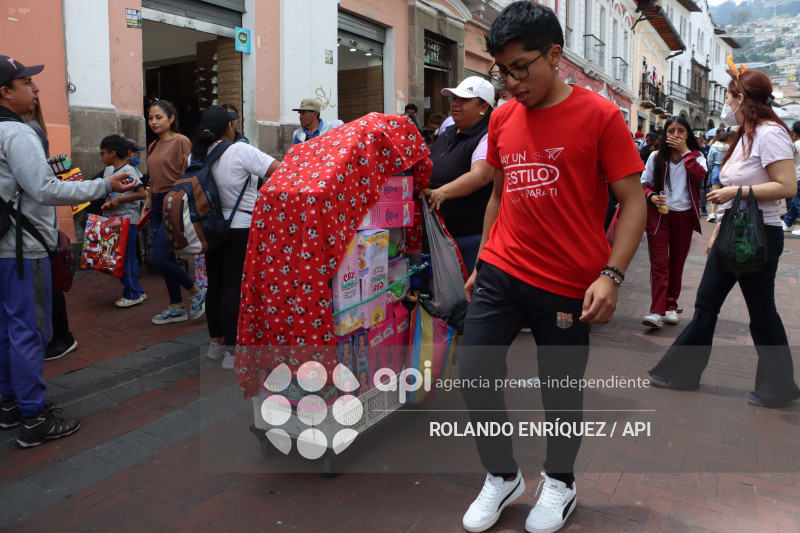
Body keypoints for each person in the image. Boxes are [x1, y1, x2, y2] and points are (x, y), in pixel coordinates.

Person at [456, 5, 647, 533]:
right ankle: (502, 476)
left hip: (567, 282)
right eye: (502, 72)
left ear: (556, 56)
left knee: (559, 388)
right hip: (500, 267)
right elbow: (500, 192)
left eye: (521, 67)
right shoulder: (501, 117)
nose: (512, 82)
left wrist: (612, 275)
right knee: (474, 373)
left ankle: (559, 481)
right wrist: (481, 259)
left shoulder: (601, 116)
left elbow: (632, 202)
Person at [0, 55, 133, 447]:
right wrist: (105, 186)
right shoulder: (18, 134)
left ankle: (10, 404)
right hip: (24, 252)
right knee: (29, 333)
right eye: (27, 83)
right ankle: (34, 419)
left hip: (4, 249)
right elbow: (46, 190)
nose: (36, 89)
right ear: (5, 92)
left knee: (7, 330)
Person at [648, 68, 800, 409]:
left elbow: (786, 186)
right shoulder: (744, 136)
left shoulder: (770, 133)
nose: (726, 104)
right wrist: (720, 226)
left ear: (742, 99)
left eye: (730, 97)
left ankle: (778, 387)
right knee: (706, 304)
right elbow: (737, 195)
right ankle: (681, 372)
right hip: (735, 229)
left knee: (762, 313)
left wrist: (737, 190)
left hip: (759, 235)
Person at [190, 106, 279, 369]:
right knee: (233, 287)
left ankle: (216, 342)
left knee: (215, 284)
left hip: (208, 227)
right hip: (241, 226)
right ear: (229, 127)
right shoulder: (240, 150)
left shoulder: (195, 155)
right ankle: (232, 350)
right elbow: (280, 170)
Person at [22, 100, 79, 361]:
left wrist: (101, 186)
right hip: (38, 221)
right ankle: (60, 335)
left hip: (35, 222)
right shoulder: (29, 127)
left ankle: (61, 336)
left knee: (47, 282)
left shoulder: (27, 130)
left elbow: (43, 187)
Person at [640, 116, 707, 329]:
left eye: (680, 131)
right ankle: (657, 311)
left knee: (676, 264)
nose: (675, 135)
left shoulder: (697, 156)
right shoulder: (655, 156)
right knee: (659, 264)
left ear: (688, 135)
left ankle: (671, 306)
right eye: (671, 131)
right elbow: (644, 184)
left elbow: (698, 175)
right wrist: (651, 196)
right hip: (659, 215)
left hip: (684, 216)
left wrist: (686, 152)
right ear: (664, 134)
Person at [145, 99, 207, 324]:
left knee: (159, 259)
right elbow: (152, 180)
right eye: (150, 117)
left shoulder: (182, 141)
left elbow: (189, 175)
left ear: (171, 118)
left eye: (159, 117)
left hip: (174, 203)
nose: (153, 121)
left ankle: (197, 292)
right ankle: (177, 307)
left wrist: (182, 204)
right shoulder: (152, 146)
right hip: (156, 205)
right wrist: (148, 203)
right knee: (167, 257)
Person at [425, 76, 496, 273]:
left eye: (464, 100)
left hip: (467, 238)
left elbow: (480, 175)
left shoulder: (488, 135)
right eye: (454, 98)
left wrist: (442, 192)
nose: (455, 103)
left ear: (483, 107)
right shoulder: (448, 131)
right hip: (438, 235)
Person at [99, 135, 147, 307]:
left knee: (125, 259)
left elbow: (142, 194)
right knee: (125, 258)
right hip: (121, 219)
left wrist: (118, 201)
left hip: (126, 220)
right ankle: (137, 290)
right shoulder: (116, 172)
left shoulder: (127, 171)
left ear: (112, 153)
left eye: (102, 153)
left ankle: (132, 293)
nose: (101, 156)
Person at [704, 129, 731, 222]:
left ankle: (712, 213)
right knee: (726, 192)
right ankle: (724, 213)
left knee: (715, 193)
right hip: (727, 169)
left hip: (716, 169)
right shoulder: (730, 147)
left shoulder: (714, 147)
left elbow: (709, 160)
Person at [780, 121, 800, 235]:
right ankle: (787, 223)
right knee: (795, 202)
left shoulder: (795, 145)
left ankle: (787, 223)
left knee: (797, 202)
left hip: (797, 176)